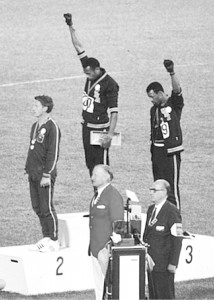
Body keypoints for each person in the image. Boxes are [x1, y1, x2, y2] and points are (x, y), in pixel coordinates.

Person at [64, 13, 119, 177]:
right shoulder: (89, 68)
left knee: (101, 165)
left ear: (97, 70)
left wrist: (110, 134)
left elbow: (114, 112)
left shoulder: (110, 84)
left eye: (89, 73)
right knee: (89, 164)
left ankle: (105, 196)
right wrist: (70, 26)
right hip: (86, 127)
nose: (86, 76)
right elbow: (78, 46)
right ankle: (97, 193)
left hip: (100, 129)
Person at [146, 59, 184, 210]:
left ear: (160, 93)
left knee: (171, 188)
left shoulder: (174, 104)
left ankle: (177, 223)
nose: (151, 100)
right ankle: (163, 218)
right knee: (159, 186)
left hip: (170, 152)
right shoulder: (153, 109)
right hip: (157, 152)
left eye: (152, 96)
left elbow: (177, 90)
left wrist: (171, 72)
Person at [25, 95, 61, 252]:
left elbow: (53, 153)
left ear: (45, 108)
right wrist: (28, 168)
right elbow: (33, 149)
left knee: (46, 207)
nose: (33, 108)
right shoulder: (35, 126)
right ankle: (46, 236)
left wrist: (47, 174)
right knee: (37, 206)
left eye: (36, 105)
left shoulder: (53, 127)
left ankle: (54, 240)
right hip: (33, 173)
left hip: (44, 175)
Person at [143, 179, 183, 299]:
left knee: (165, 295)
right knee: (153, 294)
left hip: (164, 264)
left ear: (164, 192)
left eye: (154, 190)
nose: (151, 192)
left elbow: (177, 239)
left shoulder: (171, 211)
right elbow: (147, 234)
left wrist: (173, 263)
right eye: (151, 190)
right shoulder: (151, 210)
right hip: (151, 262)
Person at [89, 164, 124, 300]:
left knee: (110, 284)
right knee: (99, 285)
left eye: (95, 175)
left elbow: (118, 224)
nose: (92, 178)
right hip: (95, 248)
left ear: (106, 177)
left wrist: (112, 247)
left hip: (106, 249)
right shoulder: (97, 195)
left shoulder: (113, 195)